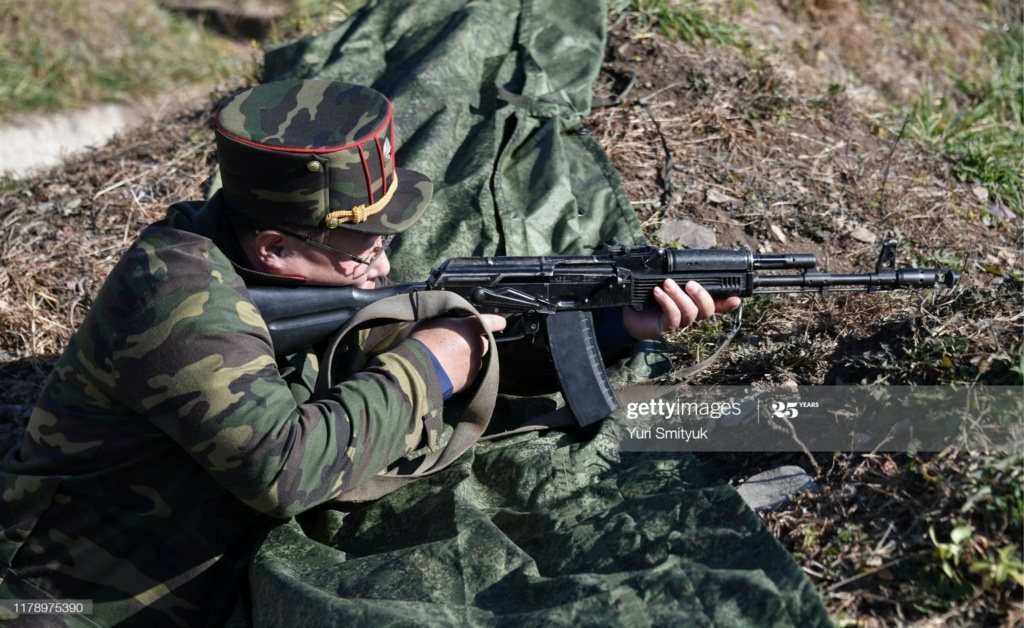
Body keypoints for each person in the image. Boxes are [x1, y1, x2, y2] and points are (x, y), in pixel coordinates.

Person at [0, 79, 740, 625]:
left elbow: (409, 361)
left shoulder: (276, 265)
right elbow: (285, 470)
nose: (384, 261)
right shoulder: (175, 297)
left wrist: (614, 329)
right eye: (364, 245)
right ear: (278, 248)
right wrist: (432, 361)